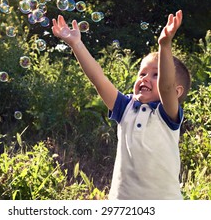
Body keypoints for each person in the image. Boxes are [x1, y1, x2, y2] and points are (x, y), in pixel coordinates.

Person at [51, 10, 191, 200]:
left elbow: (166, 87)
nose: (145, 79)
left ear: (177, 92)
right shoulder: (126, 108)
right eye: (142, 74)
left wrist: (164, 46)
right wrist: (76, 44)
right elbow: (98, 79)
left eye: (155, 74)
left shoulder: (167, 114)